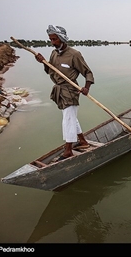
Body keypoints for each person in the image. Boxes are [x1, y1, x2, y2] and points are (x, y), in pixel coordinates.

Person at [35, 25, 95, 160]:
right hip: (59, 90)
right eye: (50, 39)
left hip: (71, 91)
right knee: (71, 117)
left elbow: (88, 72)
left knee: (67, 119)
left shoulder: (74, 54)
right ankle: (83, 141)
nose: (52, 42)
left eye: (54, 39)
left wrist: (86, 87)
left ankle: (68, 150)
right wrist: (44, 62)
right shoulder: (53, 53)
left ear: (62, 38)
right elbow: (50, 71)